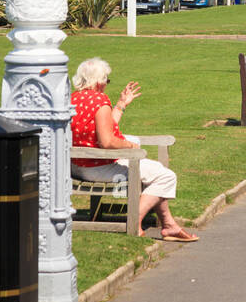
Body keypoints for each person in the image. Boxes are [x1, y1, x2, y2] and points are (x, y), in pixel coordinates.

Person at [69, 58, 198, 242]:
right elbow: (106, 141)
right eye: (107, 80)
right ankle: (134, 222)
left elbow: (105, 126)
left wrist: (121, 104)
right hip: (97, 167)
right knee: (166, 176)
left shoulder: (74, 99)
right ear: (99, 81)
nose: (106, 84)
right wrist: (130, 147)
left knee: (155, 172)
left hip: (78, 165)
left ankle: (170, 225)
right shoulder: (100, 101)